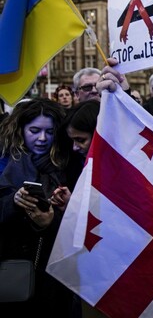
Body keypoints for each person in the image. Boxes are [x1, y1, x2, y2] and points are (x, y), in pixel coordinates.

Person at [0, 99, 80, 316]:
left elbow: (82, 218)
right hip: (14, 266)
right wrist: (14, 202)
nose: (42, 139)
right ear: (21, 130)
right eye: (34, 130)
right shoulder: (5, 160)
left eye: (49, 132)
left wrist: (51, 220)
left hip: (56, 270)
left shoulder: (70, 161)